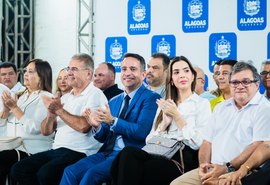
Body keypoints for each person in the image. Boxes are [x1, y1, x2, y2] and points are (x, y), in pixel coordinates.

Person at [59, 53, 161, 185]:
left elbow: (141, 132)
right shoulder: (114, 100)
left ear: (143, 74)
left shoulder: (151, 98)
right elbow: (103, 137)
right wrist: (96, 126)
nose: (127, 73)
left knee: (91, 175)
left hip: (127, 156)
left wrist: (113, 121)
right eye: (124, 69)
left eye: (133, 69)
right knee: (70, 171)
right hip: (106, 153)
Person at [110, 56, 212, 185]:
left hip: (181, 158)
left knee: (134, 167)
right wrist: (163, 125)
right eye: (176, 72)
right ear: (171, 80)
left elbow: (198, 142)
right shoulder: (165, 104)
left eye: (186, 71)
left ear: (192, 76)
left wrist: (177, 116)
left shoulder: (202, 104)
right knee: (126, 154)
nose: (182, 75)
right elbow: (149, 140)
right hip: (159, 152)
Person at [10, 53, 107, 185]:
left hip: (80, 151)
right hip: (57, 149)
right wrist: (51, 114)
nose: (69, 73)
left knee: (45, 174)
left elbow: (84, 126)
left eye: (74, 69)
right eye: (69, 68)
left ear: (88, 74)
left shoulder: (95, 94)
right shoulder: (66, 97)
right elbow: (46, 131)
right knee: (19, 169)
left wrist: (59, 110)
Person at [170, 61, 270, 185]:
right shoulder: (221, 107)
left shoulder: (264, 108)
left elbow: (259, 145)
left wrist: (228, 167)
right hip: (213, 168)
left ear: (256, 84)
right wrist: (204, 167)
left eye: (245, 81)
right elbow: (207, 142)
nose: (239, 86)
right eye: (234, 82)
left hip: (242, 170)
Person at [0, 59, 54, 185]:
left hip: (32, 149)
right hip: (14, 146)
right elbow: (3, 124)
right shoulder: (22, 97)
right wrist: (7, 110)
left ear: (41, 76)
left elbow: (35, 129)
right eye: (25, 71)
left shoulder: (46, 97)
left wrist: (14, 108)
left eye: (30, 72)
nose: (25, 74)